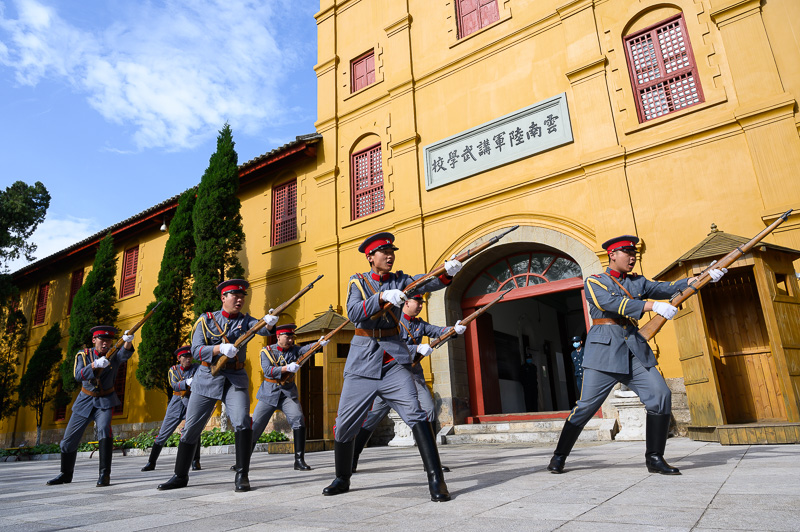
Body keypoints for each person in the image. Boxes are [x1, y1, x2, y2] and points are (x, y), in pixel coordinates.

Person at [546, 236, 726, 476]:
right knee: (586, 407)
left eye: (634, 253)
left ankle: (654, 458)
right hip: (604, 353)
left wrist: (699, 279)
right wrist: (651, 307)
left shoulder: (638, 282)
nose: (633, 257)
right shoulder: (595, 281)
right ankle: (559, 456)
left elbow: (669, 288)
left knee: (660, 395)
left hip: (633, 349)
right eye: (627, 253)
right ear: (612, 255)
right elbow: (610, 303)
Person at [323, 232, 461, 502]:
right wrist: (383, 296)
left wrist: (448, 273)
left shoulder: (402, 280)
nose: (389, 255)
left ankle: (436, 480)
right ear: (370, 257)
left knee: (418, 415)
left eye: (392, 251)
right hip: (362, 363)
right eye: (383, 252)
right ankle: (342, 477)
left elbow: (426, 283)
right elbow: (354, 313)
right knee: (345, 425)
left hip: (394, 361)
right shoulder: (358, 281)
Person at [157, 279, 278, 492]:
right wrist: (218, 350)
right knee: (191, 427)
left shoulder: (247, 320)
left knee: (242, 421)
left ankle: (242, 476)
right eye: (235, 296)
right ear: (223, 298)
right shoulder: (206, 321)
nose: (239, 299)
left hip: (235, 378)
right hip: (207, 377)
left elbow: (263, 330)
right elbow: (195, 351)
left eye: (242, 296)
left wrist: (270, 322)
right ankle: (180, 475)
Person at [350, 294, 466, 473]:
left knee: (428, 409)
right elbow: (384, 345)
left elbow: (437, 331)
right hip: (388, 376)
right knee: (371, 420)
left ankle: (431, 461)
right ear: (406, 302)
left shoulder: (419, 324)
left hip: (412, 376)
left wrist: (454, 330)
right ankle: (352, 458)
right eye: (417, 302)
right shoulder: (390, 320)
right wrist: (415, 348)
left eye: (421, 303)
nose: (420, 306)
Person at [47, 325, 134, 487]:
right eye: (102, 340)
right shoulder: (83, 355)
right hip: (85, 401)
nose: (105, 343)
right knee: (68, 441)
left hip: (105, 400)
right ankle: (65, 474)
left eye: (109, 340)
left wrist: (128, 341)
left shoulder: (114, 354)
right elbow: (78, 375)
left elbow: (125, 355)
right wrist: (94, 365)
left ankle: (104, 475)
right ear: (94, 340)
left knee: (104, 431)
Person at [249, 323, 329, 471]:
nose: (291, 340)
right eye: (288, 337)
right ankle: (243, 461)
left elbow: (307, 349)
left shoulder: (295, 350)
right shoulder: (266, 352)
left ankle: (299, 460)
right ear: (278, 336)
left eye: (292, 337)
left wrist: (319, 343)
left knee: (298, 419)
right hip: (269, 394)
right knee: (255, 427)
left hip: (287, 393)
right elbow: (267, 370)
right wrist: (286, 368)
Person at [141, 346, 201, 472]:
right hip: (176, 402)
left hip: (191, 401)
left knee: (194, 431)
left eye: (190, 357)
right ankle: (151, 462)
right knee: (163, 432)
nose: (188, 359)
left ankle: (196, 461)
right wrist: (186, 382)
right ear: (179, 358)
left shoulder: (197, 368)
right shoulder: (173, 370)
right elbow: (174, 384)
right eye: (185, 357)